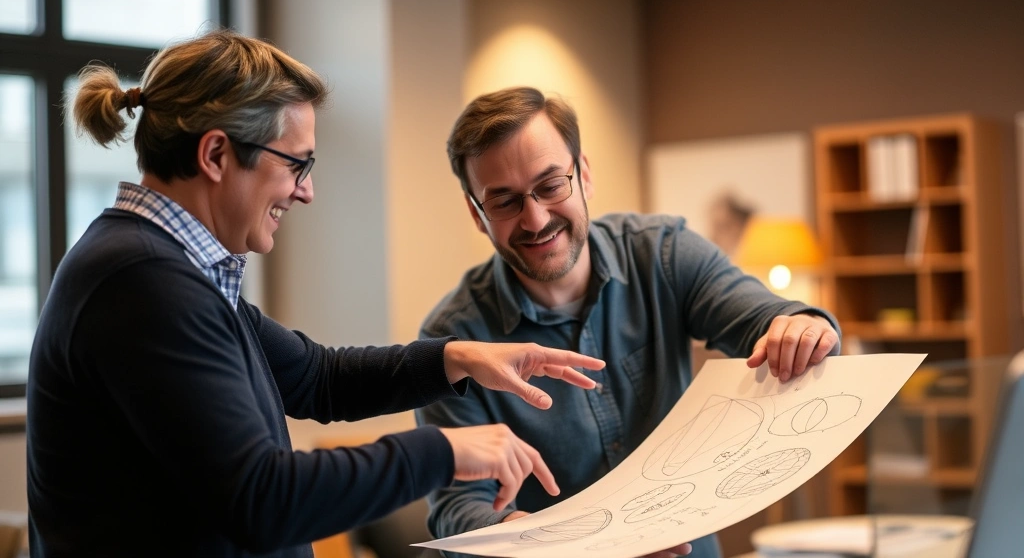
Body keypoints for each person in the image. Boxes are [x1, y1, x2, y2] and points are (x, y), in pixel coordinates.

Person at [26, 32, 606, 558]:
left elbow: (315, 378)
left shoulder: (170, 270)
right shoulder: (142, 281)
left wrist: (458, 359)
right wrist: (443, 451)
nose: (307, 191)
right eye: (297, 165)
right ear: (217, 155)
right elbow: (262, 499)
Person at [414, 86, 842, 557]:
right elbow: (458, 507)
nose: (535, 219)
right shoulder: (453, 341)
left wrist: (800, 325)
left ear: (585, 175)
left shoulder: (662, 253)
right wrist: (537, 542)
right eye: (504, 202)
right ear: (477, 215)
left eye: (551, 185)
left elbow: (764, 318)